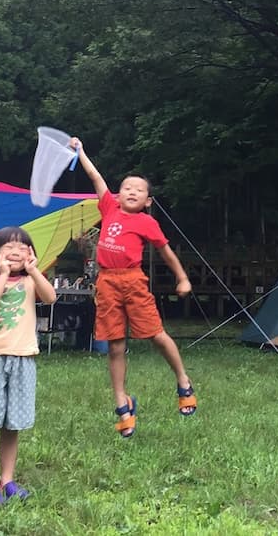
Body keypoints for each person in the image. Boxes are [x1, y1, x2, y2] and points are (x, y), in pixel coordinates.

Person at [69, 137, 197, 438]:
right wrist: (82, 152)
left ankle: (183, 380)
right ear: (118, 193)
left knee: (155, 334)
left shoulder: (146, 223)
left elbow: (166, 251)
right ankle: (122, 404)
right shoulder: (109, 208)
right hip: (107, 282)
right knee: (114, 344)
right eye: (127, 187)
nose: (131, 192)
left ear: (147, 201)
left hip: (133, 280)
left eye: (139, 190)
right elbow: (95, 177)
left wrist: (183, 277)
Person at [0, 226, 55, 505]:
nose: (16, 251)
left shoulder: (32, 281)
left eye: (22, 247)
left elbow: (50, 297)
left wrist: (34, 270)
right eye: (8, 247)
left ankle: (8, 479)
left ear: (31, 254)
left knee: (12, 425)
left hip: (23, 358)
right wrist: (4, 274)